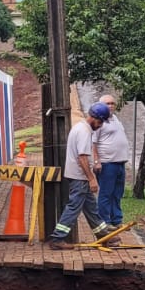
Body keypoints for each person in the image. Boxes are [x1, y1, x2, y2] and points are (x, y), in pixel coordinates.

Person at [47, 105, 113, 249]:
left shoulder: (80, 127)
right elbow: (82, 158)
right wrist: (91, 178)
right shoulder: (84, 131)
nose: (100, 126)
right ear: (95, 118)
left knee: (91, 207)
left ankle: (103, 235)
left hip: (78, 176)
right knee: (73, 207)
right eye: (101, 122)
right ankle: (57, 238)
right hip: (80, 177)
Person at [90, 97, 131, 227]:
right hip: (107, 163)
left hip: (120, 163)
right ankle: (105, 221)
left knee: (117, 194)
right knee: (106, 193)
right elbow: (93, 143)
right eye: (107, 103)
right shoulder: (99, 121)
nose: (111, 106)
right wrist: (96, 161)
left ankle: (117, 220)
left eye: (113, 103)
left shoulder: (115, 119)